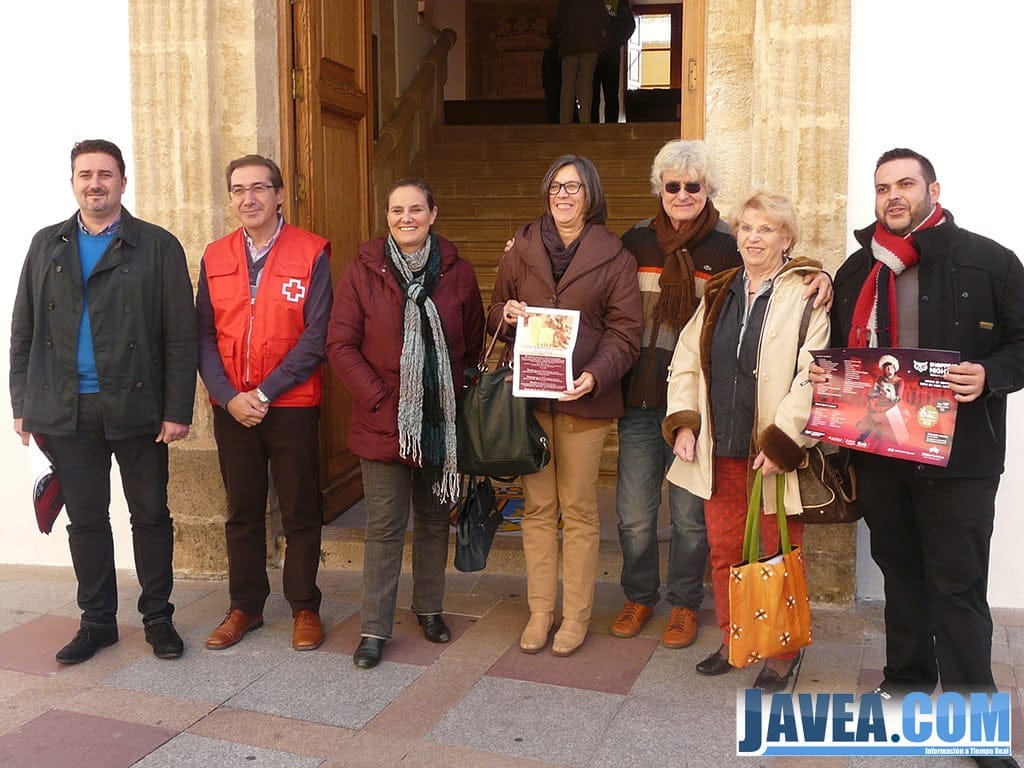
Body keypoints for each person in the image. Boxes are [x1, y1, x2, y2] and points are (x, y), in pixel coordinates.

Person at [821, 149, 1024, 765]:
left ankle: (973, 718)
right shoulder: (858, 270)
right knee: (901, 574)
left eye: (905, 184)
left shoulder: (989, 261)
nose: (893, 196)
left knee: (958, 586)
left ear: (933, 188)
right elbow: (837, 353)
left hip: (961, 458)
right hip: (881, 453)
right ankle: (907, 682)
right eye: (883, 187)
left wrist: (987, 375)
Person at [610, 141, 831, 650]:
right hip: (654, 401)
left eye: (694, 185)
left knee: (709, 526)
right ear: (659, 190)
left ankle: (702, 614)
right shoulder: (640, 244)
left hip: (737, 427)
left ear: (708, 189)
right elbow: (605, 299)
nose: (683, 193)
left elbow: (806, 349)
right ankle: (656, 602)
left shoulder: (737, 252)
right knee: (643, 518)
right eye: (673, 185)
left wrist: (817, 272)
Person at [10, 139, 197, 664]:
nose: (96, 183)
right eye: (85, 174)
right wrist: (22, 401)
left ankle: (158, 618)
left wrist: (177, 409)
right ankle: (97, 622)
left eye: (106, 174)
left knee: (151, 516)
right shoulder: (47, 244)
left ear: (122, 181)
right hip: (68, 410)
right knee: (87, 520)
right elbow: (24, 328)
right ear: (73, 181)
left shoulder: (158, 245)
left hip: (138, 407)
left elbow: (181, 337)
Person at [663, 191, 829, 691]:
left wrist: (783, 441)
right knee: (724, 550)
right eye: (747, 228)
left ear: (787, 239)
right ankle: (736, 636)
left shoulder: (805, 293)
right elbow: (688, 360)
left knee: (776, 551)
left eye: (766, 229)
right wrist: (685, 422)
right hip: (721, 450)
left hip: (769, 454)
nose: (754, 238)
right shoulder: (720, 290)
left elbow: (813, 375)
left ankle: (783, 651)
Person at [327, 178, 484, 670]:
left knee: (436, 518)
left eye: (416, 209)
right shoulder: (363, 269)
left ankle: (430, 608)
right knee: (385, 527)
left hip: (440, 419)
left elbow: (474, 342)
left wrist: (445, 393)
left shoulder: (458, 272)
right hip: (381, 419)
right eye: (397, 210)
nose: (406, 218)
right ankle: (374, 627)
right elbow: (340, 344)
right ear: (387, 217)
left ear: (433, 214)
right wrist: (383, 398)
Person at [493, 155, 642, 657]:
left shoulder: (614, 256)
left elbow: (626, 332)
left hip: (584, 403)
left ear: (591, 195)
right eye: (557, 186)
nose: (563, 195)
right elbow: (496, 306)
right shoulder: (523, 246)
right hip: (531, 400)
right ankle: (541, 612)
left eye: (574, 187)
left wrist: (595, 375)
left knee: (577, 510)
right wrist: (509, 313)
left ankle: (575, 617)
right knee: (537, 508)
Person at [197, 155, 332, 653]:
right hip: (231, 407)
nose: (248, 198)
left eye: (258, 188)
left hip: (291, 403)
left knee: (299, 510)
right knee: (243, 510)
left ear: (279, 195)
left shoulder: (312, 252)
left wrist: (265, 392)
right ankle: (246, 607)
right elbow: (204, 336)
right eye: (237, 190)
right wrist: (231, 397)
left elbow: (317, 336)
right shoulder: (214, 256)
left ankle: (304, 606)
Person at [555, 0, 610, 124]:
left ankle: (565, 121)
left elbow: (559, 21)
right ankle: (585, 119)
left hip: (569, 45)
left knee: (567, 84)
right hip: (590, 45)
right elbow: (605, 19)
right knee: (586, 84)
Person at [590, 0, 635, 123]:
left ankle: (612, 128)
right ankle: (591, 129)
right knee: (591, 95)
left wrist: (615, 41)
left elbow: (629, 26)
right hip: (591, 54)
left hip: (610, 54)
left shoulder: (617, 1)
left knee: (611, 95)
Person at [855, 354, 905, 444]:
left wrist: (888, 396)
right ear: (883, 370)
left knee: (894, 429)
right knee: (871, 419)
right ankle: (863, 438)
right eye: (887, 369)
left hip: (893, 406)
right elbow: (875, 391)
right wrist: (873, 394)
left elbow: (899, 397)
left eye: (891, 368)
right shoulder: (880, 379)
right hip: (879, 405)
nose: (889, 371)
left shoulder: (899, 381)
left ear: (894, 369)